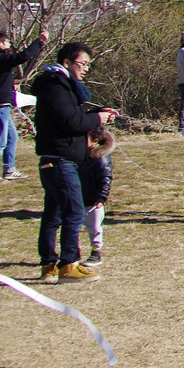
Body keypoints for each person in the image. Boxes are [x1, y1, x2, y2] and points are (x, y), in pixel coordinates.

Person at [27, 41, 116, 283]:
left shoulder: (61, 86)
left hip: (59, 159)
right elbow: (71, 124)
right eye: (82, 64)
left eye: (88, 64)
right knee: (74, 212)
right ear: (66, 63)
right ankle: (68, 264)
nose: (86, 69)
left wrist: (96, 113)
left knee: (53, 214)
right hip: (60, 160)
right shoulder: (55, 87)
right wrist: (97, 118)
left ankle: (49, 266)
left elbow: (72, 118)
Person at [0, 26, 46, 182]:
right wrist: (39, 41)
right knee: (0, 141)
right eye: (6, 41)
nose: (8, 43)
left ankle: (9, 169)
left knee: (12, 138)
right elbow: (23, 56)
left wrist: (10, 85)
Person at [79, 126, 113, 265]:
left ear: (95, 140)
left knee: (94, 228)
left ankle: (96, 252)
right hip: (79, 197)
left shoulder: (100, 158)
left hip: (94, 200)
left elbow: (106, 179)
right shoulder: (79, 155)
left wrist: (101, 198)